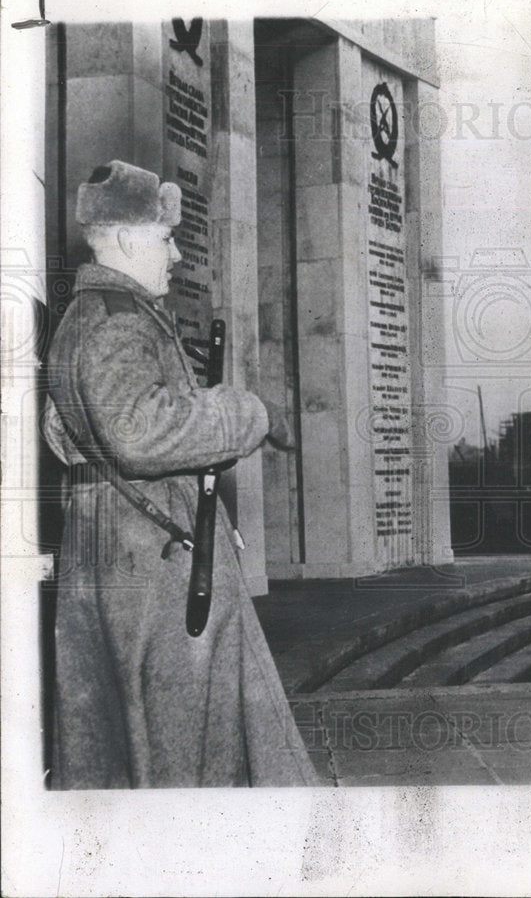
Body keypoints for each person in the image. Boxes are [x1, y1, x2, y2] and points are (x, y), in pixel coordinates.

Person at [42, 160, 317, 788]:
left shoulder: (83, 317)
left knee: (123, 748)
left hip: (119, 557)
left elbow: (66, 432)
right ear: (132, 239)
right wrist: (247, 410)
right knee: (189, 746)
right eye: (166, 239)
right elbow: (139, 433)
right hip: (155, 573)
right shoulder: (118, 319)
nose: (174, 255)